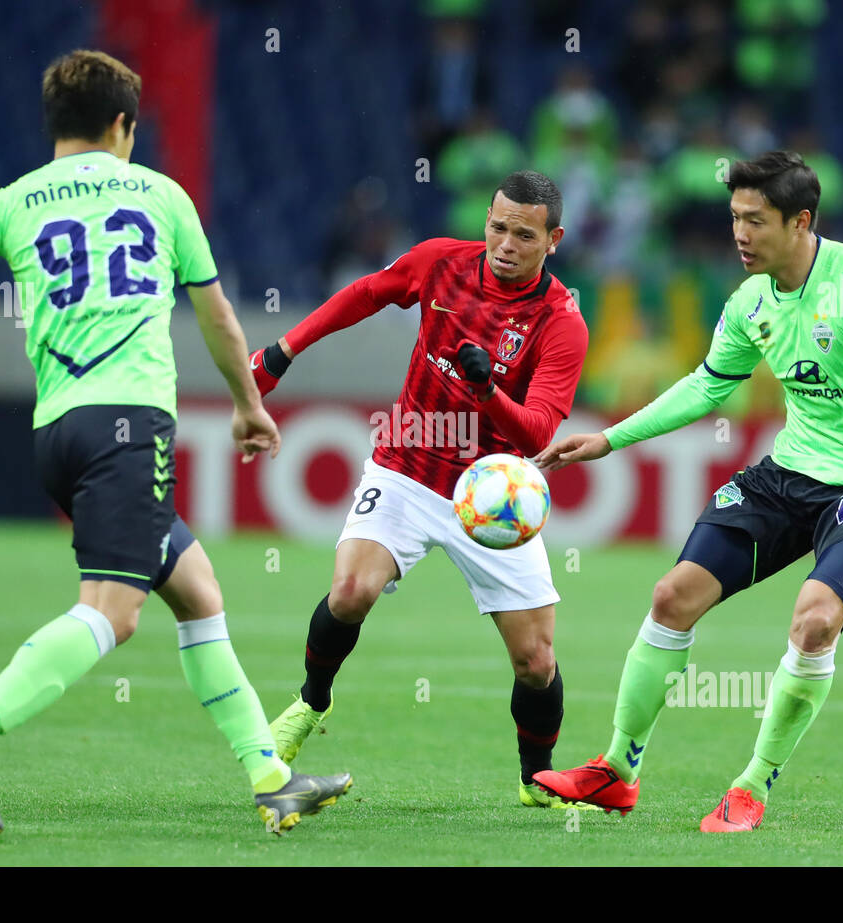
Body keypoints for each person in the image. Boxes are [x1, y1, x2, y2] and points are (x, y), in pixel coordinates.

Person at [0, 49, 351, 835]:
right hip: (129, 426)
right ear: (122, 125)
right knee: (113, 614)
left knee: (198, 592)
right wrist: (250, 406)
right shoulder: (159, 195)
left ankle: (269, 774)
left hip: (58, 432)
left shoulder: (12, 201)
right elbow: (216, 316)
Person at [532, 151, 843, 831]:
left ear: (801, 221)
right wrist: (608, 439)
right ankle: (617, 771)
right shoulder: (751, 301)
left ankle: (752, 786)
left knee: (814, 620)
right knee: (672, 595)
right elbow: (709, 385)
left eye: (756, 219)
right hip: (790, 473)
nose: (740, 233)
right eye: (734, 218)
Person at [249, 170, 592, 808]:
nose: (505, 244)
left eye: (524, 234)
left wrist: (488, 391)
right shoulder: (439, 264)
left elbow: (542, 427)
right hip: (406, 465)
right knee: (350, 592)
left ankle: (535, 777)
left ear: (554, 240)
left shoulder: (562, 321)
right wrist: (284, 348)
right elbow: (367, 293)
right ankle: (310, 702)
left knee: (536, 662)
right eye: (497, 228)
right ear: (485, 222)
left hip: (492, 493)